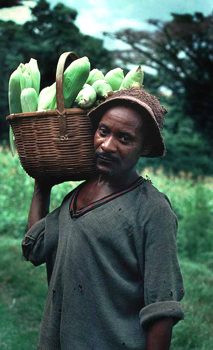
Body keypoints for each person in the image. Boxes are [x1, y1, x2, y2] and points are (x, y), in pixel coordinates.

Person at [22, 88, 185, 350]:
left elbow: (161, 309)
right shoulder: (75, 197)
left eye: (124, 138)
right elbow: (36, 248)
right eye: (103, 131)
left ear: (144, 148)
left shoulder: (152, 209)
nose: (107, 145)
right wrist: (42, 186)